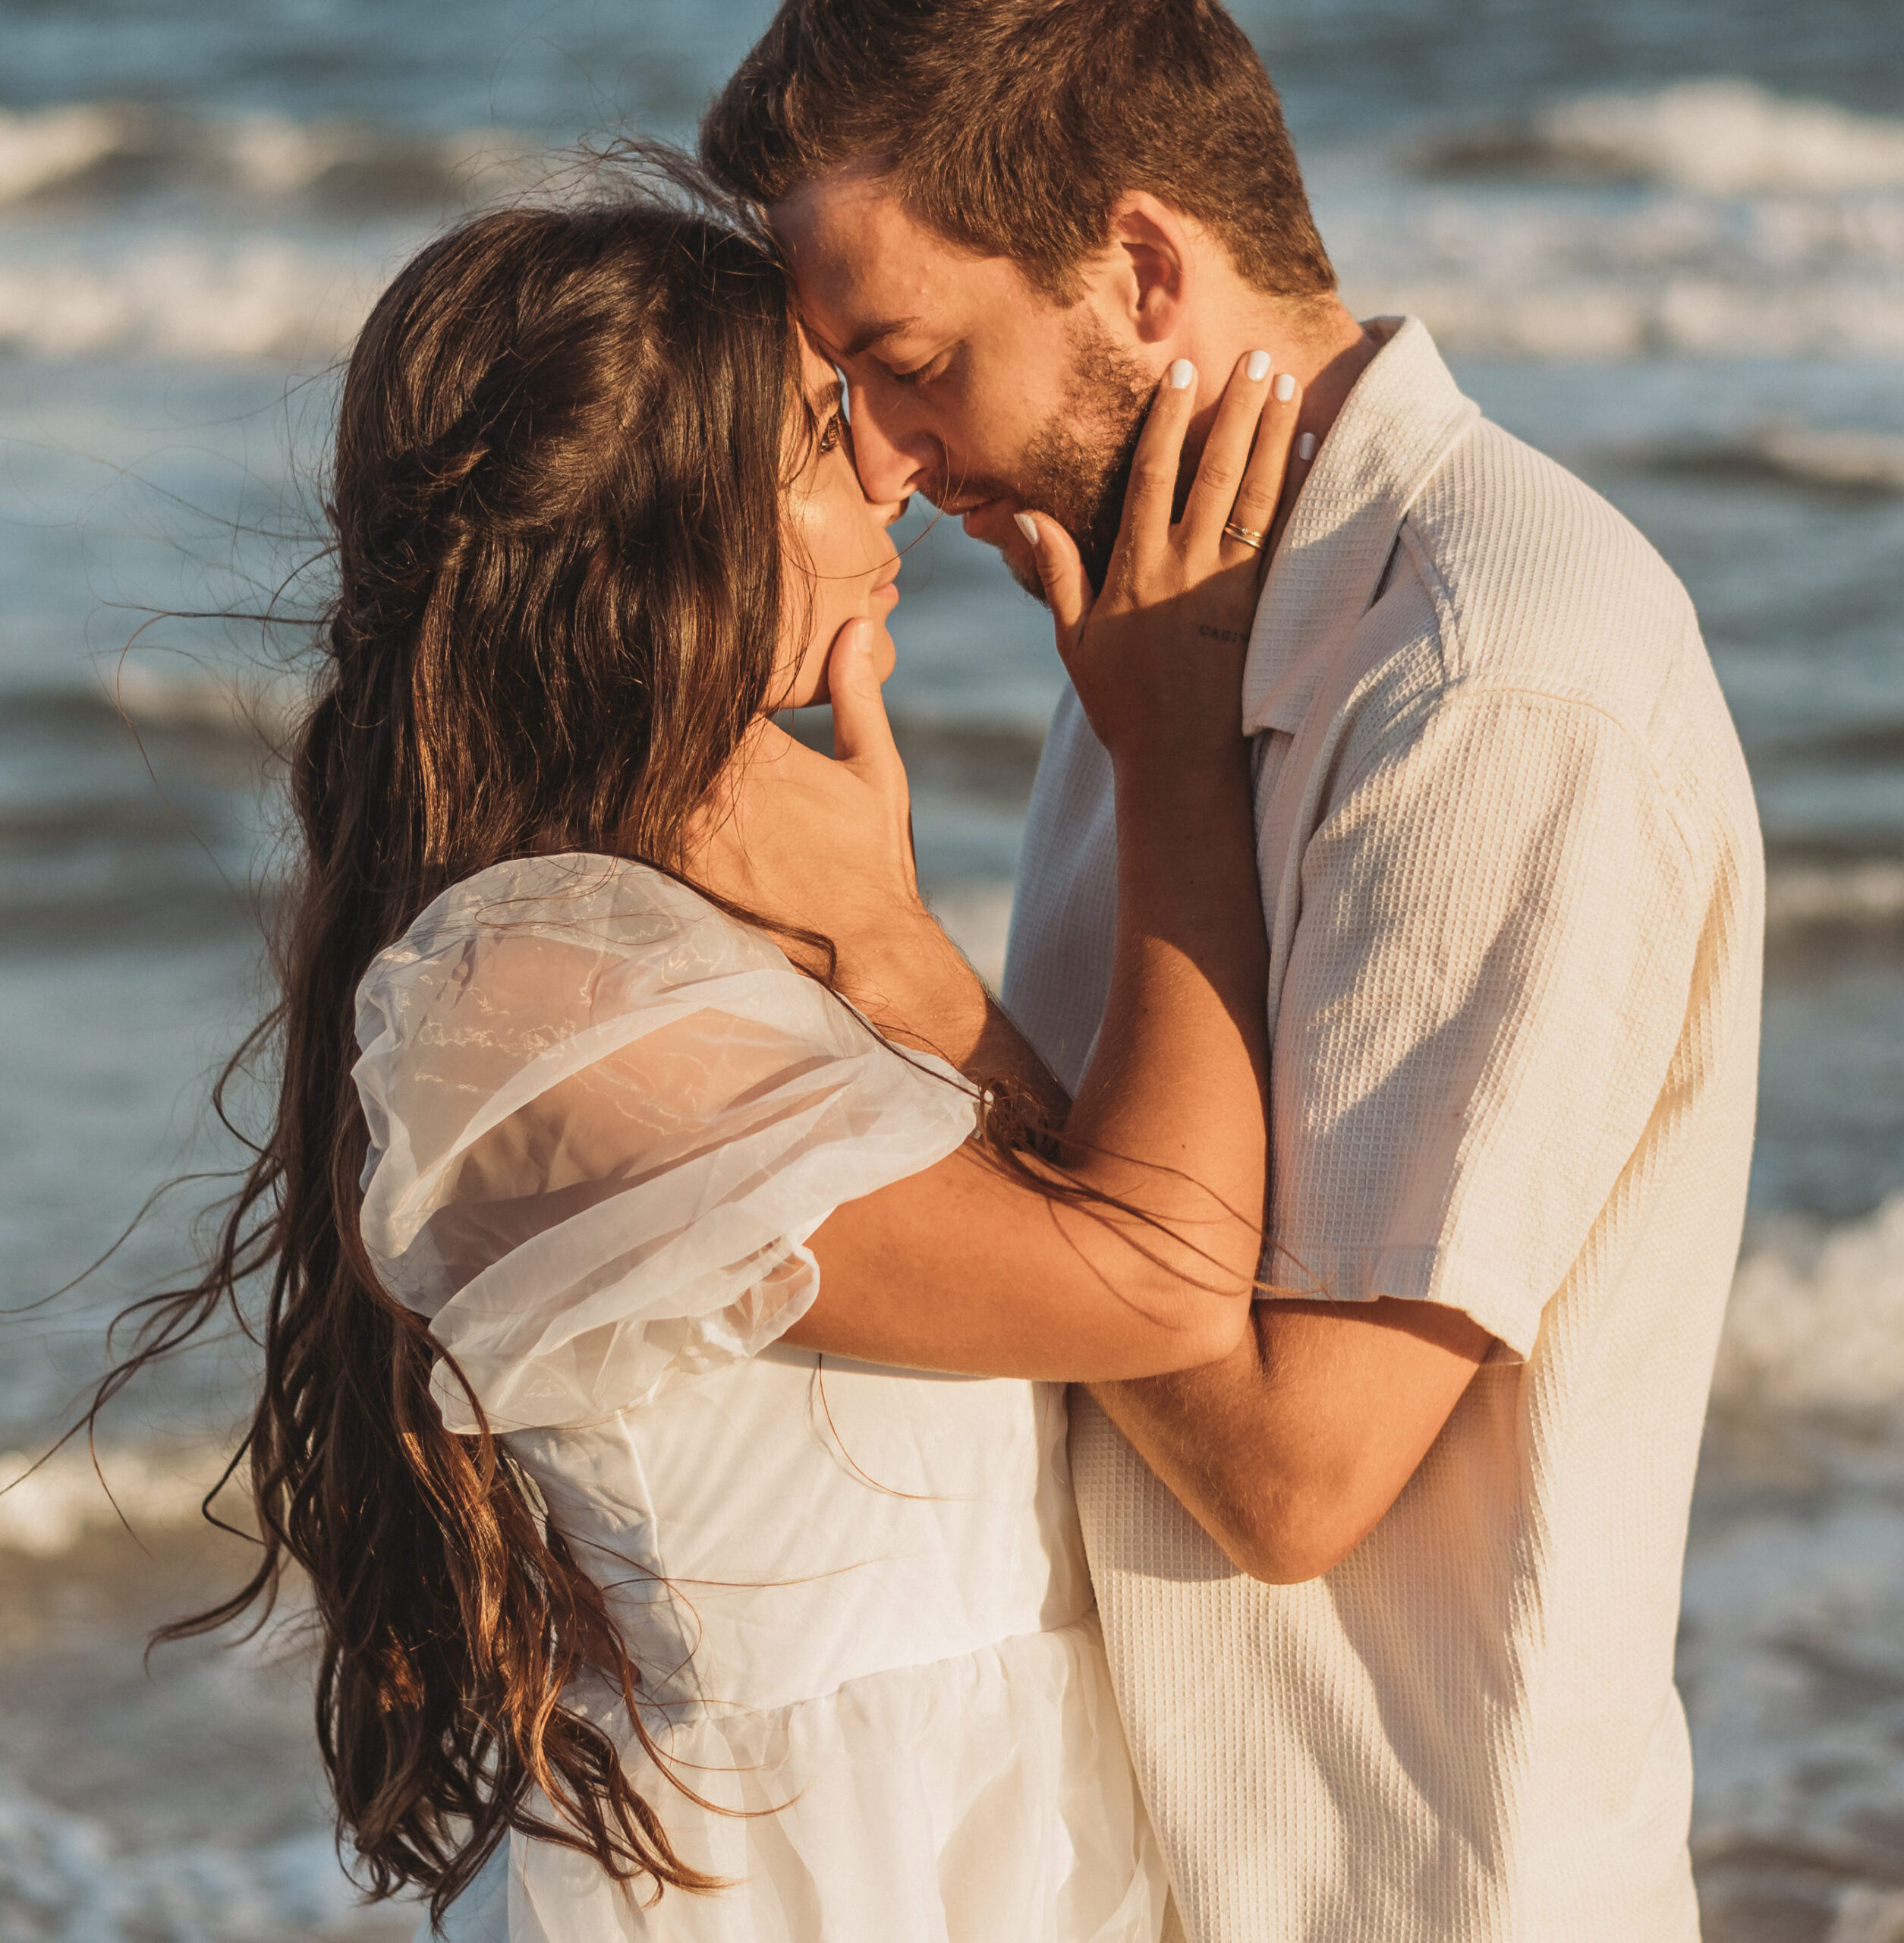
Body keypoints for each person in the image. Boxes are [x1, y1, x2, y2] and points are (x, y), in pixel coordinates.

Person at [93, 174, 1317, 1943]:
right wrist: (1170, 754)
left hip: (968, 1849)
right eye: (823, 433)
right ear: (663, 537)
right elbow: (1160, 1277)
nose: (892, 466)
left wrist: (886, 939)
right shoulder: (525, 1006)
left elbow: (1101, 1253)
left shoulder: (675, 928)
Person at [700, 2, 1766, 1938]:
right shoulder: (1170, 620)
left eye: (910, 360)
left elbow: (1291, 1478)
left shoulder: (1489, 672)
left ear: (1136, 266)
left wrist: (892, 950)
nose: (877, 449)